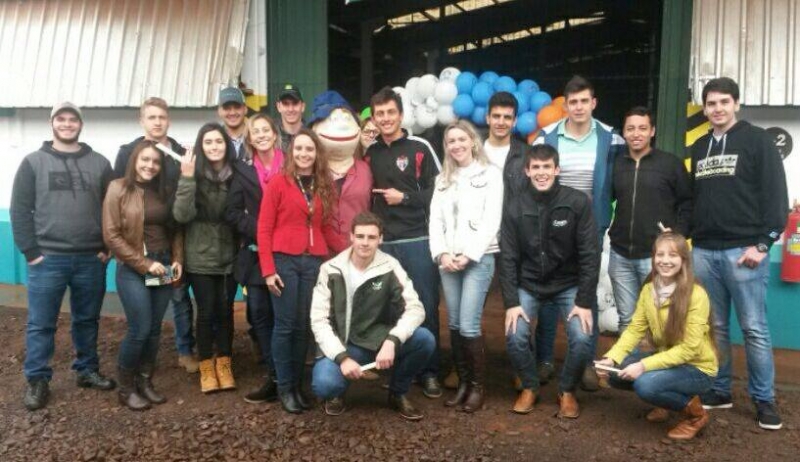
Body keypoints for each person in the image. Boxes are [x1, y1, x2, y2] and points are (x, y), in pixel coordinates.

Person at [689, 77, 788, 430]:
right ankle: (720, 389)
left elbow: (776, 196)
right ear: (704, 108)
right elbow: (696, 199)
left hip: (744, 252)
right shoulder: (699, 146)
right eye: (711, 103)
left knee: (754, 328)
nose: (717, 109)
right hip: (704, 251)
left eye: (723, 102)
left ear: (736, 104)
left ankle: (764, 399)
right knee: (715, 327)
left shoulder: (758, 141)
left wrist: (764, 244)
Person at [11, 102, 116, 411]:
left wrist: (107, 246)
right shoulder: (33, 163)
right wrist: (31, 252)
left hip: (90, 259)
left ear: (80, 124)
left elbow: (113, 208)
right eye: (61, 119)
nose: (67, 124)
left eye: (73, 119)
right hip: (48, 259)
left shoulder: (100, 164)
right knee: (41, 323)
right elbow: (20, 210)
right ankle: (38, 379)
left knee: (87, 319)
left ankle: (87, 370)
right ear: (52, 123)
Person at [532, 75, 625, 391]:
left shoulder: (611, 139)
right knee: (548, 293)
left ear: (593, 103)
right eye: (573, 102)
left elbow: (619, 182)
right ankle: (545, 360)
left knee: (588, 291)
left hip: (590, 227)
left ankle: (585, 362)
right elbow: (535, 180)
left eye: (585, 101)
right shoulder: (546, 136)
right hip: (551, 227)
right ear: (565, 105)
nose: (579, 107)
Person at [501, 144, 599, 418]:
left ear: (557, 170)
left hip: (568, 284)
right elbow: (508, 257)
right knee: (515, 335)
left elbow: (590, 254)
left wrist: (584, 301)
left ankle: (566, 390)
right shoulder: (515, 205)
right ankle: (529, 386)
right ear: (527, 171)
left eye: (547, 167)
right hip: (529, 284)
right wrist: (511, 302)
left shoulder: (577, 202)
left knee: (583, 337)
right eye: (536, 167)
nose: (541, 173)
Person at [310, 212, 435, 420]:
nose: (365, 243)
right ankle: (337, 394)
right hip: (344, 344)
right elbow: (318, 321)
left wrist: (393, 340)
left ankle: (398, 392)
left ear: (380, 239)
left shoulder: (390, 266)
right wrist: (342, 358)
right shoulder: (330, 269)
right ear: (351, 237)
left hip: (378, 340)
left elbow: (416, 308)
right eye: (360, 236)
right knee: (325, 385)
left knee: (425, 340)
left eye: (371, 237)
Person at [257, 128, 347, 414]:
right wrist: (268, 270)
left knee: (303, 326)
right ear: (291, 152)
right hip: (284, 260)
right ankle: (284, 387)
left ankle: (297, 386)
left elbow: (325, 227)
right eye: (299, 149)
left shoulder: (323, 185)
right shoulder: (278, 183)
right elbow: (264, 228)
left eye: (309, 149)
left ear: (316, 153)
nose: (304, 154)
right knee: (285, 326)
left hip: (313, 263)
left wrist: (351, 252)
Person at [596, 233, 718, 440]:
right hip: (668, 358)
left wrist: (643, 366)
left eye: (673, 255)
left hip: (697, 368)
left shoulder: (696, 294)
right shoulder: (649, 289)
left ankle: (696, 416)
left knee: (645, 385)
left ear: (684, 260)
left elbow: (690, 349)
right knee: (615, 373)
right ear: (653, 258)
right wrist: (611, 358)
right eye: (660, 254)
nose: (665, 260)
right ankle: (665, 399)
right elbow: (635, 329)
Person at [366, 86, 444, 398]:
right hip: (383, 244)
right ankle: (398, 368)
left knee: (425, 305)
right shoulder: (369, 153)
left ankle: (430, 372)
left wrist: (406, 198)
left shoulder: (419, 146)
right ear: (374, 118)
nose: (385, 118)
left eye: (390, 112)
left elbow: (441, 191)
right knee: (390, 308)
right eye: (380, 114)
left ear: (401, 115)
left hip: (417, 239)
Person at [112, 97, 197, 374]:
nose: (157, 122)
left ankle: (184, 350)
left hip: (170, 244)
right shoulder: (128, 153)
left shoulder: (181, 154)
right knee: (143, 319)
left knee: (178, 296)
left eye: (162, 117)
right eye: (152, 117)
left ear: (168, 120)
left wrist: (177, 252)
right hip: (138, 253)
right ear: (142, 121)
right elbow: (117, 202)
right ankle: (132, 373)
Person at [103, 140, 184, 410]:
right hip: (132, 269)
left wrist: (177, 259)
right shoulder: (118, 188)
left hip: (163, 265)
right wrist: (145, 264)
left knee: (154, 330)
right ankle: (126, 388)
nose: (150, 165)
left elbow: (175, 228)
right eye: (145, 160)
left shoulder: (164, 190)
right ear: (135, 161)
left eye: (155, 162)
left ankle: (145, 381)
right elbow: (112, 236)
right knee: (140, 328)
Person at [429, 121, 503, 413]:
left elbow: (492, 220)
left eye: (462, 139)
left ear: (473, 141)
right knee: (454, 323)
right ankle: (462, 383)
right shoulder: (443, 178)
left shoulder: (490, 174)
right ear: (446, 147)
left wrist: (469, 254)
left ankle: (477, 387)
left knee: (469, 323)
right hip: (448, 259)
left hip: (478, 259)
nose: (456, 145)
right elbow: (435, 220)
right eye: (451, 141)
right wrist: (441, 254)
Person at [608, 107, 692, 332]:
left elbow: (687, 203)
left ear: (652, 131)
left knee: (659, 321)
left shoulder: (670, 164)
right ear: (624, 133)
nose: (636, 134)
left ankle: (658, 358)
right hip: (620, 255)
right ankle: (629, 357)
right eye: (630, 129)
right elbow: (605, 199)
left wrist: (677, 235)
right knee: (627, 320)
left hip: (656, 256)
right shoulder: (616, 165)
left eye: (642, 128)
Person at [173, 123, 239, 394]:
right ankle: (206, 367)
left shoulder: (236, 174)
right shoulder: (193, 173)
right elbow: (181, 214)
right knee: (206, 311)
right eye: (208, 142)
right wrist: (187, 178)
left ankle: (224, 363)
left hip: (229, 254)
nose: (214, 147)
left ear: (227, 145)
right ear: (201, 146)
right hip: (199, 255)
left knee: (225, 311)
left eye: (219, 141)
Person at [225, 114, 285, 403]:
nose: (260, 135)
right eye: (255, 132)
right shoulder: (243, 171)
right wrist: (261, 229)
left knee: (285, 316)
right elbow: (233, 212)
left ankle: (290, 375)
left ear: (274, 134)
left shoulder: (291, 164)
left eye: (265, 130)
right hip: (256, 254)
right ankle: (274, 376)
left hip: (287, 252)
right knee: (260, 314)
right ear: (249, 139)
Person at [218, 87, 249, 161]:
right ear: (219, 111)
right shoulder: (213, 139)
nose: (232, 113)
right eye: (226, 108)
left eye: (237, 107)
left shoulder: (256, 136)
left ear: (245, 109)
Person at [276, 84, 306, 151]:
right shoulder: (271, 135)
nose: (290, 109)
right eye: (285, 103)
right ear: (278, 107)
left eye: (295, 103)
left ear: (303, 106)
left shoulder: (312, 133)